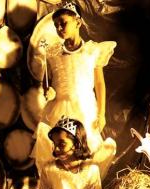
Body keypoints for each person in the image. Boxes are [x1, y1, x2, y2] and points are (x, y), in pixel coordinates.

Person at [32, 1, 116, 178]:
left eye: (63, 22)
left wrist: (101, 114)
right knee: (60, 150)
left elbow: (99, 84)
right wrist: (49, 91)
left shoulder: (92, 51)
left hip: (85, 107)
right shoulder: (53, 52)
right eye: (56, 25)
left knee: (85, 151)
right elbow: (48, 82)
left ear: (77, 22)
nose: (59, 28)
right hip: (60, 108)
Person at [38, 116, 102, 189]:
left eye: (62, 144)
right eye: (54, 144)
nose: (56, 149)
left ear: (77, 144)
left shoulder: (90, 169)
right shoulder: (49, 169)